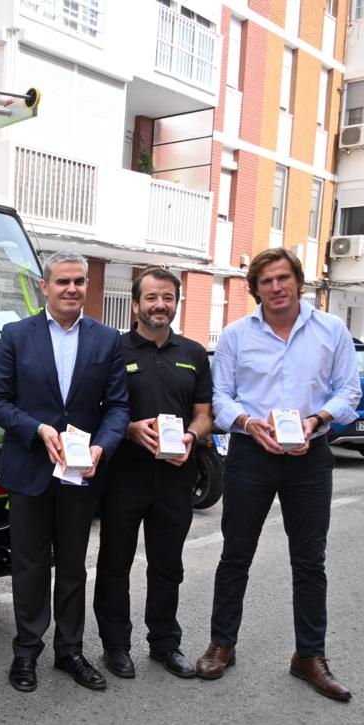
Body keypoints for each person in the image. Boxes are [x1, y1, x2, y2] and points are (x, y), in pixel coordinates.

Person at [195, 247, 361, 701]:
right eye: (266, 280)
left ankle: (310, 655)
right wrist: (249, 423)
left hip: (309, 455)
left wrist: (319, 420)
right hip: (252, 453)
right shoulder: (234, 335)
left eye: (283, 277)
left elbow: (350, 390)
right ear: (255, 288)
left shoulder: (331, 330)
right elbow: (222, 398)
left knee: (310, 560)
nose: (276, 287)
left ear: (298, 281)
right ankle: (222, 643)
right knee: (236, 555)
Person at [0, 250, 129, 693]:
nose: (72, 289)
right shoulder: (15, 335)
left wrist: (103, 446)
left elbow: (118, 406)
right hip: (29, 468)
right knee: (29, 565)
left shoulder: (107, 340)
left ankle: (70, 651)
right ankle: (26, 651)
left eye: (79, 282)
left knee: (72, 566)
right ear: (44, 287)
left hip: (81, 474)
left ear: (87, 286)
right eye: (63, 281)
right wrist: (38, 429)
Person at [92, 267, 213, 680]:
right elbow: (97, 409)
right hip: (124, 474)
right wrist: (128, 428)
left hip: (176, 476)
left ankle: (165, 643)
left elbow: (203, 413)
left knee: (167, 564)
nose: (160, 305)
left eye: (167, 298)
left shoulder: (194, 353)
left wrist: (192, 438)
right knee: (114, 563)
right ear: (135, 304)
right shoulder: (114, 350)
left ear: (176, 303)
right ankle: (116, 646)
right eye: (151, 298)